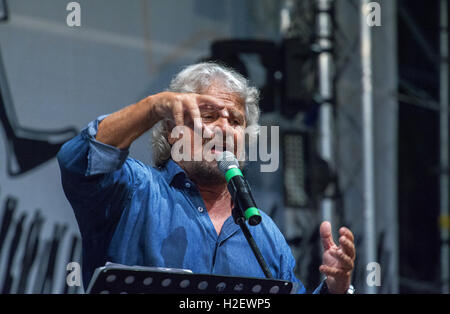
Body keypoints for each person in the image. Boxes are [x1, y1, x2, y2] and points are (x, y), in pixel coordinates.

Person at [57, 62, 355, 293]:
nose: (224, 128)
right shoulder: (133, 190)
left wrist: (334, 289)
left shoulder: (265, 233)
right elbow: (81, 161)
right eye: (209, 115)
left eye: (235, 120)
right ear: (172, 133)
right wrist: (152, 107)